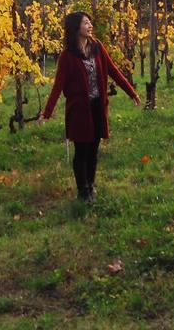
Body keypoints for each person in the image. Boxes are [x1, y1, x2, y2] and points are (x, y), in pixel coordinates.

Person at [38, 11, 141, 203]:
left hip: (97, 107)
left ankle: (91, 186)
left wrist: (132, 92)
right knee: (82, 150)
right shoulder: (67, 56)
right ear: (76, 28)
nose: (90, 25)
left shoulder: (97, 47)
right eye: (86, 23)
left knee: (94, 148)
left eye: (90, 22)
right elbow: (57, 86)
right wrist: (47, 112)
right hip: (79, 110)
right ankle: (82, 190)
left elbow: (114, 71)